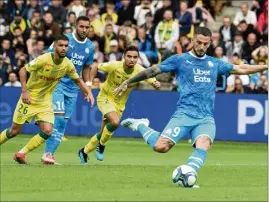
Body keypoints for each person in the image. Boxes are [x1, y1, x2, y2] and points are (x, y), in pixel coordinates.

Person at [115, 27, 268, 186]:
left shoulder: (214, 63)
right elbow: (153, 70)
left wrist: (266, 66)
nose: (201, 47)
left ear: (209, 44)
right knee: (160, 147)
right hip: (184, 113)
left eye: (205, 44)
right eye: (199, 42)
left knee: (204, 144)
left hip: (205, 117)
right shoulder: (179, 59)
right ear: (193, 40)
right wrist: (128, 82)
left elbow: (241, 68)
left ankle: (188, 173)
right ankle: (141, 125)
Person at [0, 35, 94, 164]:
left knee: (48, 131)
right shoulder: (43, 59)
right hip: (29, 99)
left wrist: (87, 91)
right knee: (14, 131)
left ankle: (21, 154)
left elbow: (77, 79)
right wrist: (24, 91)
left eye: (66, 46)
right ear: (54, 47)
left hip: (45, 102)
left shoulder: (67, 64)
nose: (64, 48)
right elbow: (23, 70)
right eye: (61, 45)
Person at [78, 46, 161, 163]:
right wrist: (89, 84)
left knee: (103, 132)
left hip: (120, 104)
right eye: (129, 56)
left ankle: (84, 151)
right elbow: (96, 67)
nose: (132, 59)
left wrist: (155, 83)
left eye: (135, 57)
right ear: (124, 57)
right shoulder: (115, 65)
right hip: (105, 97)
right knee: (115, 122)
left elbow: (150, 77)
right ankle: (101, 146)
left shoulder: (139, 71)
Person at [42, 16, 95, 164]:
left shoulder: (90, 47)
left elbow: (86, 67)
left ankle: (49, 154)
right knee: (58, 119)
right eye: (81, 26)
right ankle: (45, 152)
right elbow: (48, 56)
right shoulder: (64, 41)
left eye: (87, 27)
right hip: (57, 84)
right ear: (75, 26)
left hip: (74, 89)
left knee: (62, 124)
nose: (84, 30)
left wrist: (88, 87)